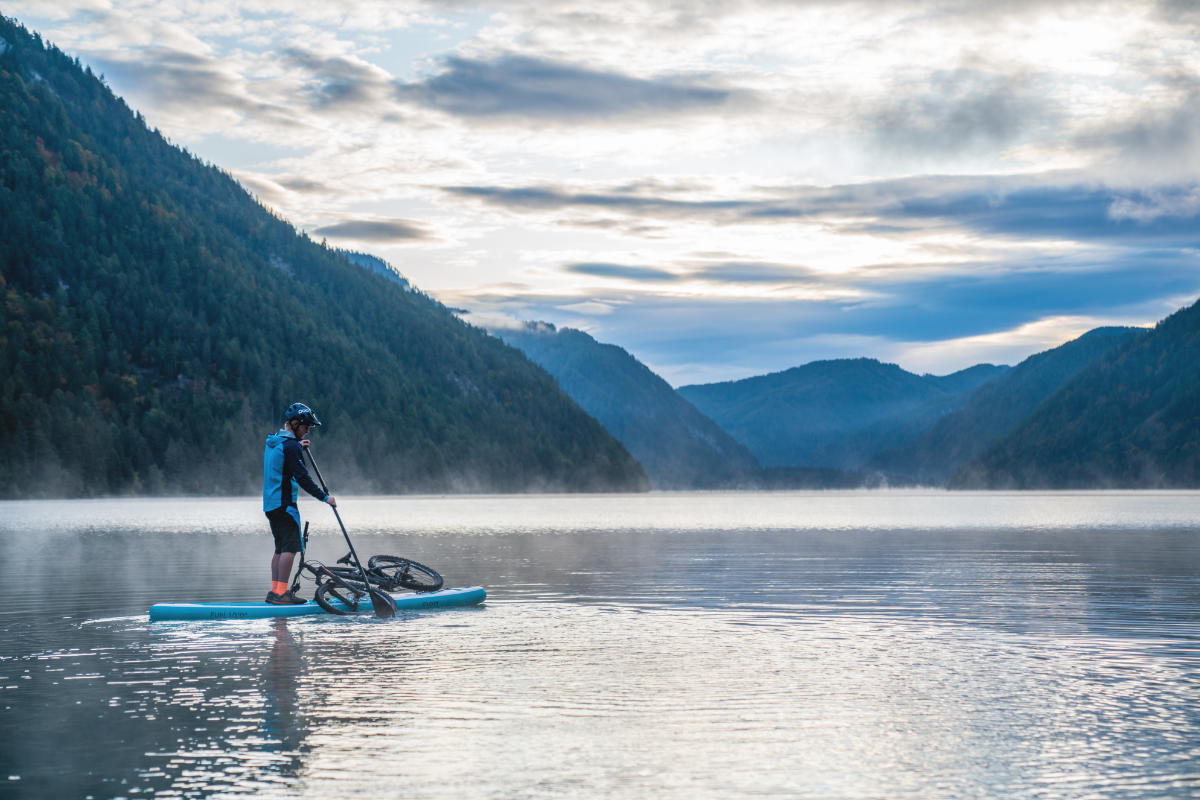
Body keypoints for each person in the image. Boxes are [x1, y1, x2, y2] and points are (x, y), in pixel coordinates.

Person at [262, 402, 337, 604]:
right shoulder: (291, 447)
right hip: (285, 505)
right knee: (290, 548)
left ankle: (276, 591)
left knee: (280, 549)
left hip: (271, 506)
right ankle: (281, 595)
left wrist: (298, 448)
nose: (306, 432)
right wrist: (325, 497)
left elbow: (286, 457)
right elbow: (303, 478)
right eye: (305, 427)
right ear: (294, 424)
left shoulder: (276, 442)